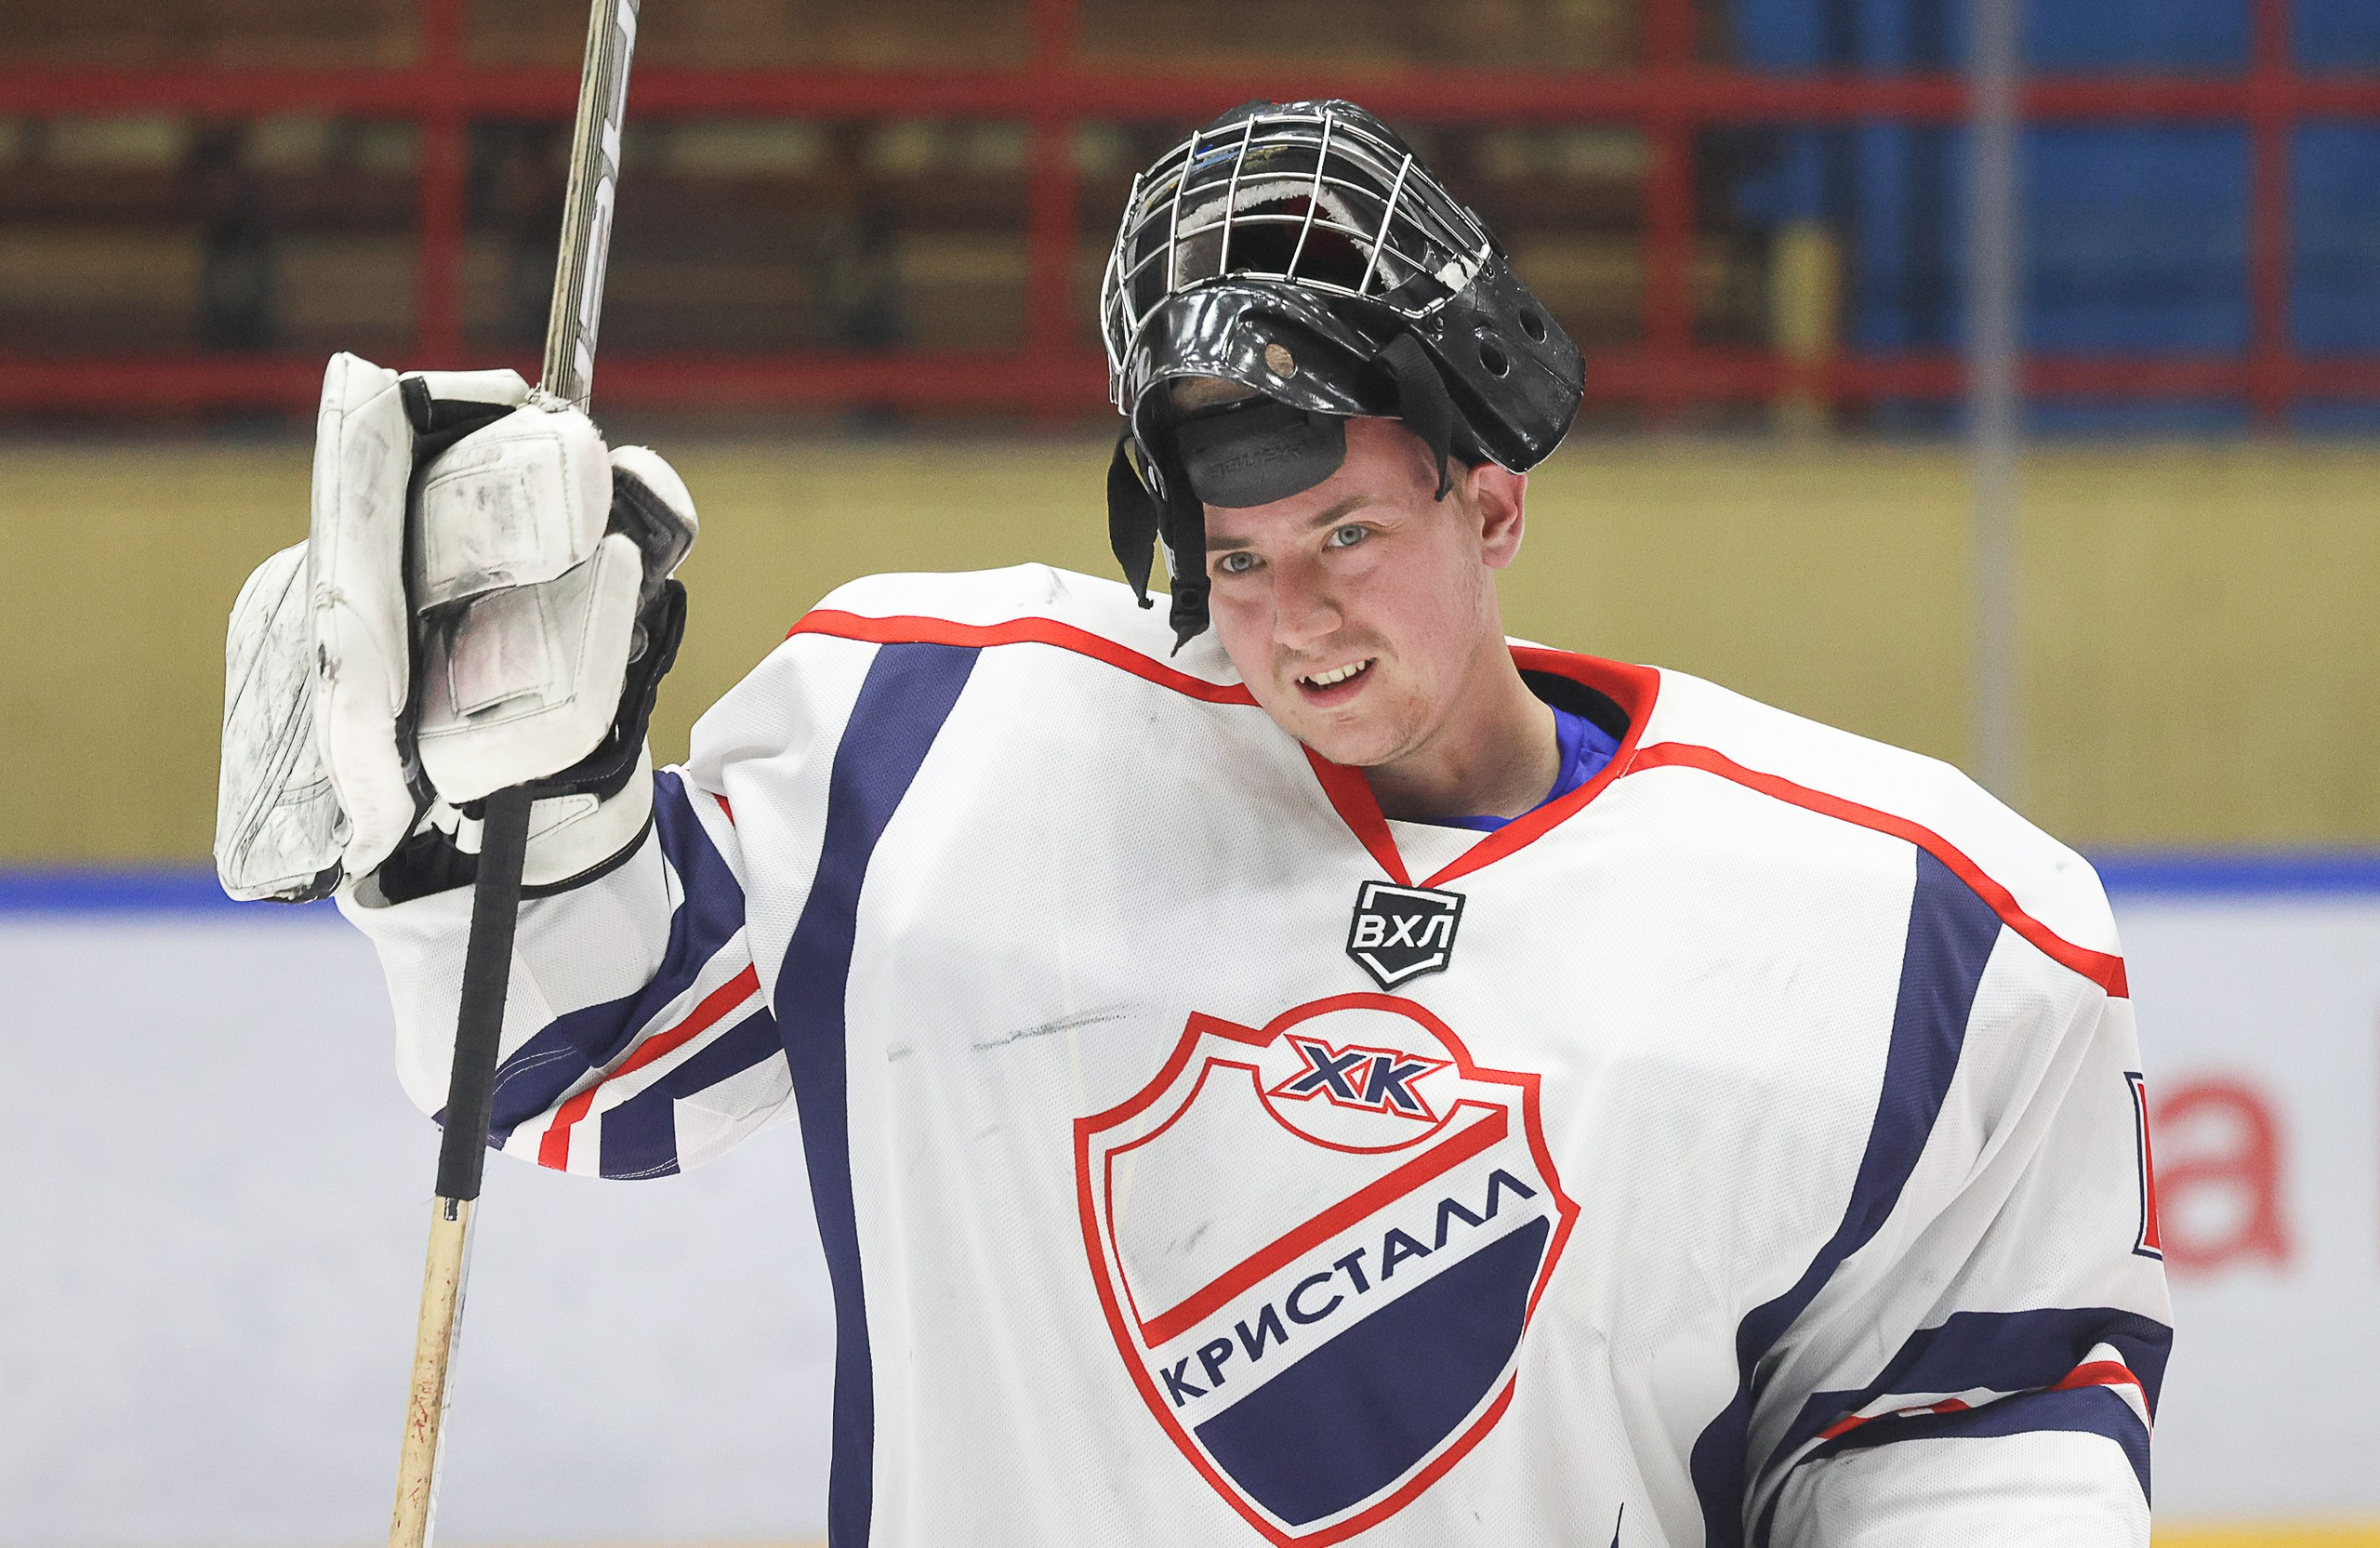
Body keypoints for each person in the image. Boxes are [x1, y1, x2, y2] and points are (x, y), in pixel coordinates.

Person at [218, 100, 2171, 1548]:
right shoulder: (944, 746)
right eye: (1237, 556)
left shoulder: (1912, 930)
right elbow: (580, 1061)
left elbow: (1961, 1440)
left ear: (1489, 505)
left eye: (1348, 535)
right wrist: (515, 804)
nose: (1296, 613)